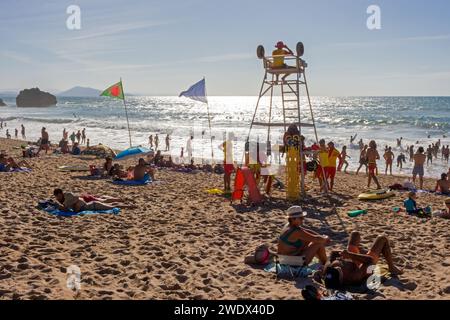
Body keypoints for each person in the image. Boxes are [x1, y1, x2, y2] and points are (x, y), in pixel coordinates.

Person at [320, 232, 402, 290]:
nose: (338, 266)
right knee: (382, 239)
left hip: (353, 262)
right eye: (339, 269)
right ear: (342, 278)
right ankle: (391, 267)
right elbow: (370, 260)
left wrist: (343, 254)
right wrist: (350, 255)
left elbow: (332, 253)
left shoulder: (330, 270)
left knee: (355, 234)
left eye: (336, 266)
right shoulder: (354, 276)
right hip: (367, 268)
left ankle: (359, 252)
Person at [53, 189, 131, 213]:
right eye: (57, 197)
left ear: (61, 194)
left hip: (93, 205)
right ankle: (126, 203)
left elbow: (66, 208)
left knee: (113, 206)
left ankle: (130, 206)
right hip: (92, 204)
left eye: (58, 196)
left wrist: (58, 205)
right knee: (110, 204)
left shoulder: (68, 197)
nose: (58, 198)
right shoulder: (66, 198)